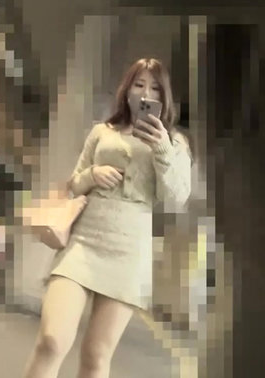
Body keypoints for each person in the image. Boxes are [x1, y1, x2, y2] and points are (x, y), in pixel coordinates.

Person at [21, 58, 192, 378]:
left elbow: (176, 199)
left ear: (165, 96)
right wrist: (92, 175)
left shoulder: (175, 143)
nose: (146, 93)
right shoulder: (102, 131)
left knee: (96, 356)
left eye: (155, 88)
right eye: (139, 84)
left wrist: (162, 148)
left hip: (128, 252)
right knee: (51, 340)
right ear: (127, 90)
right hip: (83, 241)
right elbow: (73, 184)